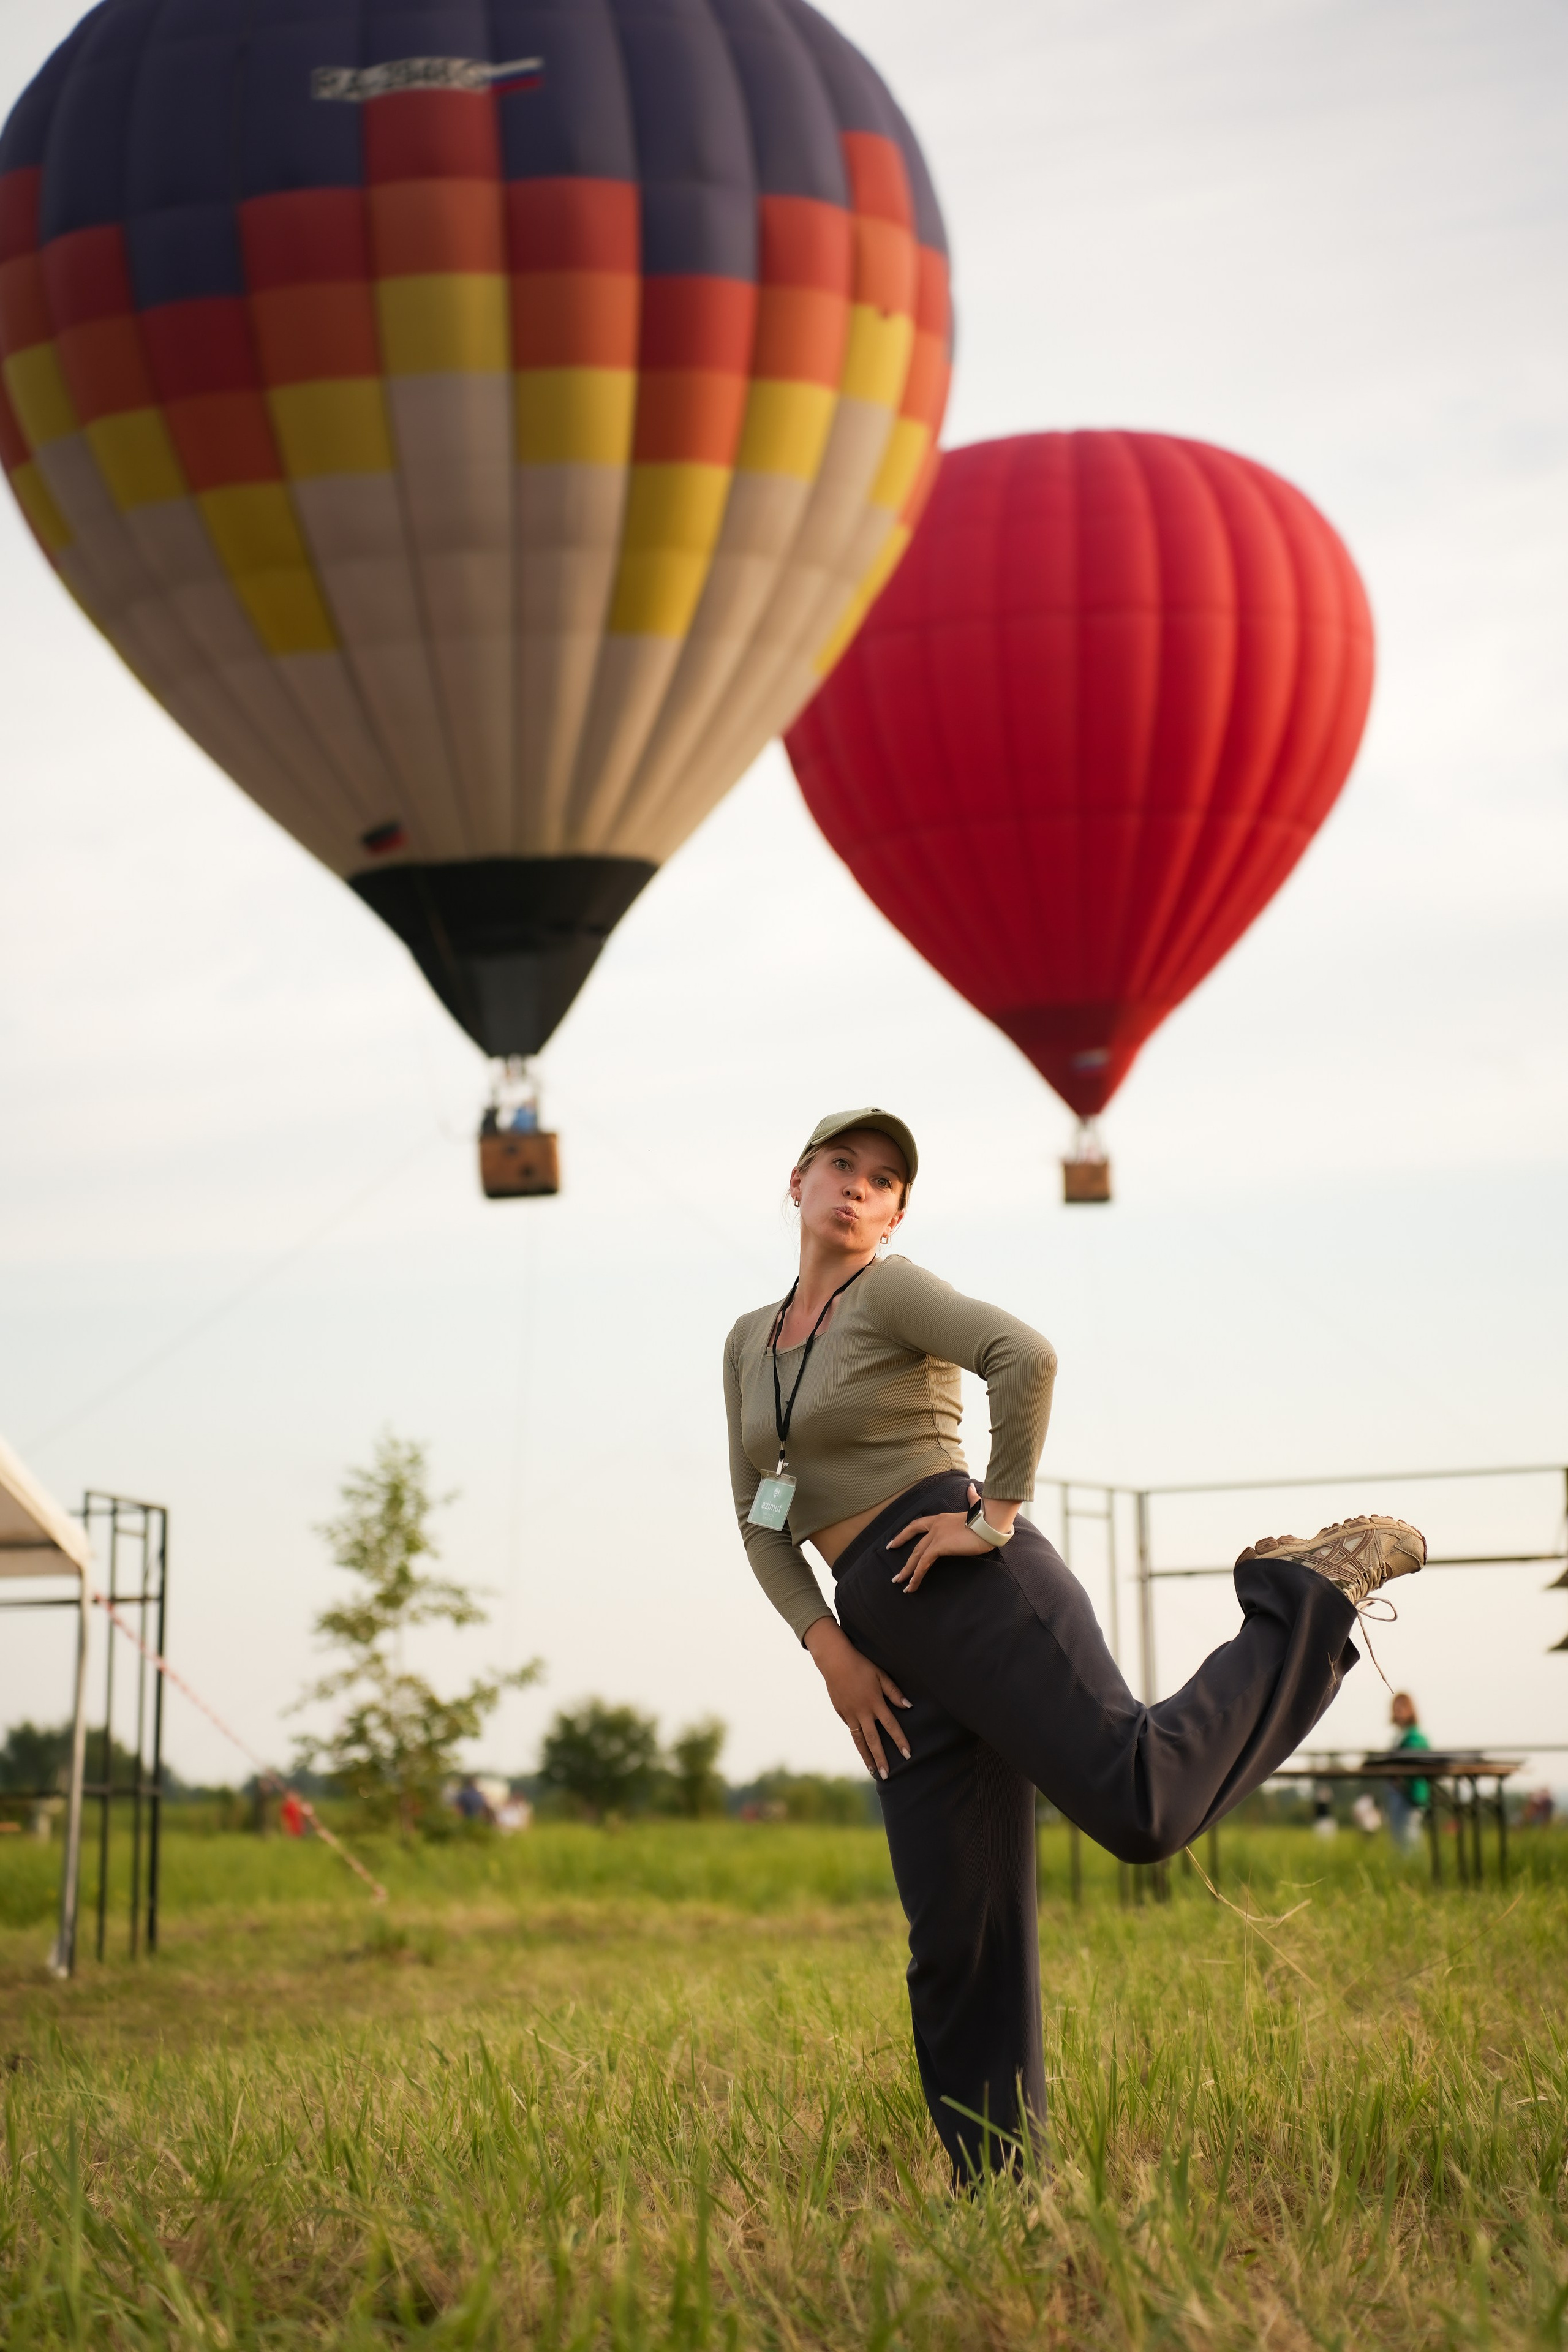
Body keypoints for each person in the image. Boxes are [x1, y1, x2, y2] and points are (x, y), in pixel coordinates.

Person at [723, 1109, 1428, 2183]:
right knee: (961, 1932)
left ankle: (1304, 1594)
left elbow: (1024, 1357)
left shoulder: (893, 1291)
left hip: (960, 1575)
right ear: (797, 1181)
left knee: (1139, 1802)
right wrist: (825, 1642)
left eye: (883, 1180)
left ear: (898, 1211)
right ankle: (998, 2196)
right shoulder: (747, 1342)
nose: (858, 1188)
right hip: (878, 1637)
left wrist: (995, 1515)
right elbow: (759, 1518)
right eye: (840, 1167)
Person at [1383, 1692, 1431, 1850]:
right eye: (1395, 1708)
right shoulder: (1400, 1736)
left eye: (1402, 1707)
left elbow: (1414, 1762)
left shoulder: (1414, 1737)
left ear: (1411, 1710)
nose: (1398, 1711)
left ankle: (1414, 1869)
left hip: (1411, 1793)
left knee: (1409, 1836)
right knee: (1399, 1836)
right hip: (1399, 1792)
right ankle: (1405, 1869)